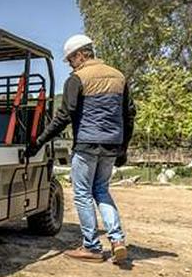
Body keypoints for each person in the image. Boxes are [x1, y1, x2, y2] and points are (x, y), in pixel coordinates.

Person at [25, 34, 136, 264]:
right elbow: (129, 115)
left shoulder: (78, 79)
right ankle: (117, 240)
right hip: (111, 144)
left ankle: (92, 247)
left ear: (81, 54)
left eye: (70, 60)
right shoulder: (119, 77)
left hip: (87, 144)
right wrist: (123, 149)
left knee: (83, 194)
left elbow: (64, 116)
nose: (70, 64)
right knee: (102, 191)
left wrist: (38, 141)